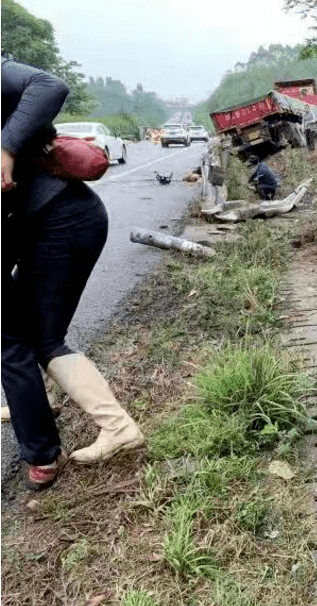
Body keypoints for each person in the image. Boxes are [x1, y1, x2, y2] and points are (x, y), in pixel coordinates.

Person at [2, 57, 144, 490]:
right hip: (40, 221)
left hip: (62, 219)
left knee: (34, 339)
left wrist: (6, 147)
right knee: (18, 338)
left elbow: (49, 86)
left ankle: (115, 429)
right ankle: (35, 411)